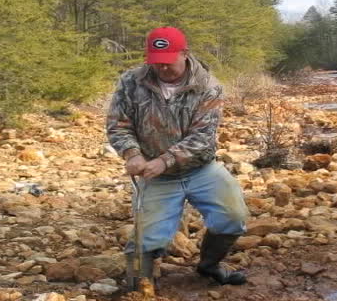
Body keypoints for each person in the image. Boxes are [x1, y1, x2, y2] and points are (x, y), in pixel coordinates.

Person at [106, 26, 249, 288]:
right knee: (146, 240)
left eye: (167, 62)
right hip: (153, 174)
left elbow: (202, 137)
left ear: (185, 53)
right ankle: (140, 285)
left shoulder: (208, 86)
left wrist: (164, 161)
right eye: (155, 63)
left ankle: (209, 265)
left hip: (201, 169)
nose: (161, 69)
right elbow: (118, 125)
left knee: (232, 215)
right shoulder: (131, 81)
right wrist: (132, 153)